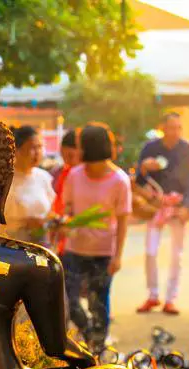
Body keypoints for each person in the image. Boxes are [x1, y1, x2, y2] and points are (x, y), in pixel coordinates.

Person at [61, 123, 131, 354]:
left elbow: (122, 220)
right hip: (74, 250)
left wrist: (118, 256)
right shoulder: (74, 175)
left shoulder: (119, 180)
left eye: (80, 146)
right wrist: (62, 223)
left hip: (103, 252)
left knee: (98, 303)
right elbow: (66, 210)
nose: (77, 150)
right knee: (70, 302)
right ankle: (90, 335)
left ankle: (97, 350)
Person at [135, 112, 189, 315]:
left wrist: (187, 206)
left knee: (176, 255)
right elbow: (139, 180)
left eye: (179, 128)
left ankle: (171, 298)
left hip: (177, 206)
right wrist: (145, 168)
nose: (175, 132)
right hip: (156, 206)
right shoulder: (150, 148)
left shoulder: (186, 149)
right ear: (162, 127)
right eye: (171, 127)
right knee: (151, 251)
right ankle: (153, 295)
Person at [0, 126, 55, 245]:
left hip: (41, 245)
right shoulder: (4, 179)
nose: (37, 152)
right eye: (33, 147)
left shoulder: (44, 177)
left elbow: (50, 210)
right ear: (17, 151)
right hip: (12, 246)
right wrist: (24, 222)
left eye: (40, 147)